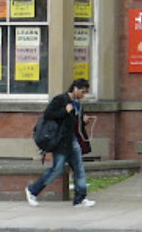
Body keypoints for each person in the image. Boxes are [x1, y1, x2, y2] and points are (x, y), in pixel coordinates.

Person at [25, 78, 95, 208]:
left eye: (85, 93)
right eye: (82, 92)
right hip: (61, 142)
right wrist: (65, 111)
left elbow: (72, 123)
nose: (83, 95)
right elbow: (48, 114)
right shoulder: (60, 99)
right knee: (56, 169)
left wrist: (83, 121)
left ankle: (80, 199)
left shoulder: (77, 104)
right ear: (75, 88)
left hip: (72, 140)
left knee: (79, 169)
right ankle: (32, 190)